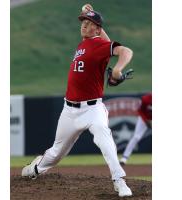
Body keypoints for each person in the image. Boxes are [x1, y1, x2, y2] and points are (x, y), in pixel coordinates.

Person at [22, 4, 133, 197]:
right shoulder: (84, 44)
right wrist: (90, 14)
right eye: (83, 22)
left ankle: (119, 180)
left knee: (102, 135)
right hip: (69, 110)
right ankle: (37, 168)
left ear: (97, 29)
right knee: (57, 153)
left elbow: (126, 51)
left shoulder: (98, 45)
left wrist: (117, 69)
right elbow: (104, 39)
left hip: (93, 109)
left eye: (89, 23)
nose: (84, 25)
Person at [120, 93, 152, 165]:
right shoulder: (146, 98)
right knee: (136, 137)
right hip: (145, 118)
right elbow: (140, 110)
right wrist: (146, 121)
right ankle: (124, 158)